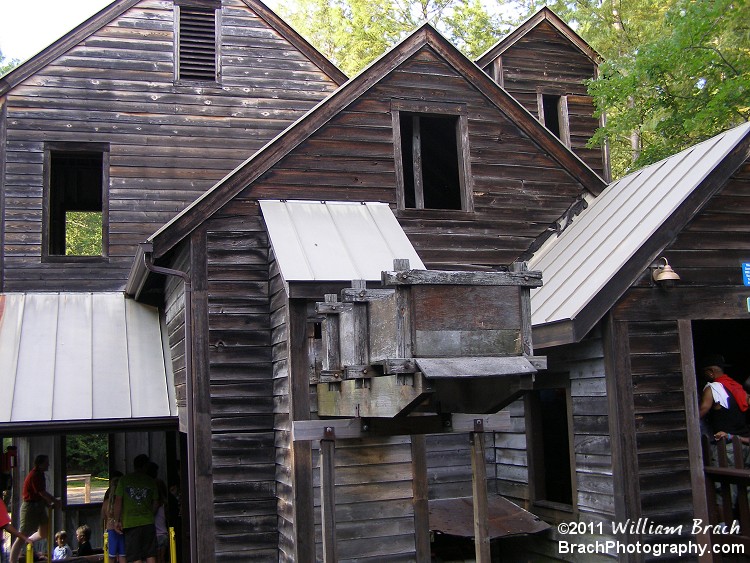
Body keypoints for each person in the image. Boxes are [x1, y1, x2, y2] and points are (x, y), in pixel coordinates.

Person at [9, 454, 62, 563]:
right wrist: (54, 501)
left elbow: (40, 494)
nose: (48, 464)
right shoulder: (34, 475)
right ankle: (12, 560)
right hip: (30, 507)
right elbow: (42, 492)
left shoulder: (40, 474)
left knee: (44, 532)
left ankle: (29, 540)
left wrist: (48, 502)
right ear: (40, 464)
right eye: (46, 462)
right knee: (22, 534)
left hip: (39, 505)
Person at [113, 454, 158, 563]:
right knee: (150, 554)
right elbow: (156, 502)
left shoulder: (124, 480)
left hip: (130, 523)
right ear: (146, 466)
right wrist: (150, 513)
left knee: (135, 556)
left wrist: (116, 520)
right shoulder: (151, 481)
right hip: (148, 521)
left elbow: (118, 501)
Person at [699, 354, 750, 444]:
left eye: (704, 372)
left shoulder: (712, 388)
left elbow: (703, 409)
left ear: (711, 372)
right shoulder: (738, 388)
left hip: (726, 445)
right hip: (745, 442)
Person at [101, 470, 126, 563]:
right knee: (123, 555)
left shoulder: (106, 503)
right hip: (122, 530)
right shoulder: (123, 503)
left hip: (110, 531)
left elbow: (103, 517)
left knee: (110, 557)